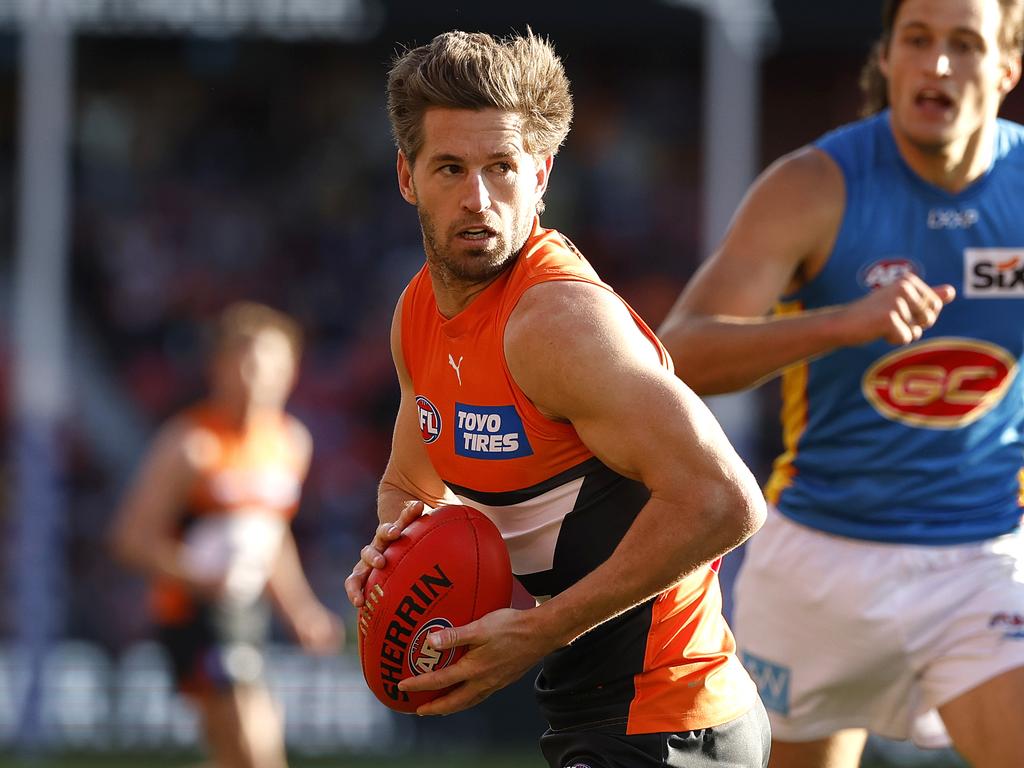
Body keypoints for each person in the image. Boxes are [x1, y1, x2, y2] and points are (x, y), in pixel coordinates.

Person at [343, 30, 769, 768]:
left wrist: (539, 631)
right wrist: (395, 559)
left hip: (673, 719)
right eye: (450, 168)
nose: (477, 199)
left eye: (500, 168)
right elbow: (411, 486)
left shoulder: (558, 325)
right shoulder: (416, 315)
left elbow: (726, 501)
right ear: (408, 177)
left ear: (539, 175)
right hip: (598, 711)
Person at [657, 0, 1024, 766]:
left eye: (966, 44)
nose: (940, 64)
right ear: (887, 60)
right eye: (918, 41)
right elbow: (676, 355)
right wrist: (840, 324)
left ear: (1007, 67)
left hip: (982, 557)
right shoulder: (811, 187)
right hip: (820, 564)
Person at [111, 301, 343, 768]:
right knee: (255, 748)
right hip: (193, 615)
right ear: (219, 368)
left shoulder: (290, 442)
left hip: (245, 612)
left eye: (274, 365)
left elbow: (272, 534)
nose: (261, 378)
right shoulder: (189, 444)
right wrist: (199, 575)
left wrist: (300, 610)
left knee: (235, 755)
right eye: (248, 363)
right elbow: (130, 538)